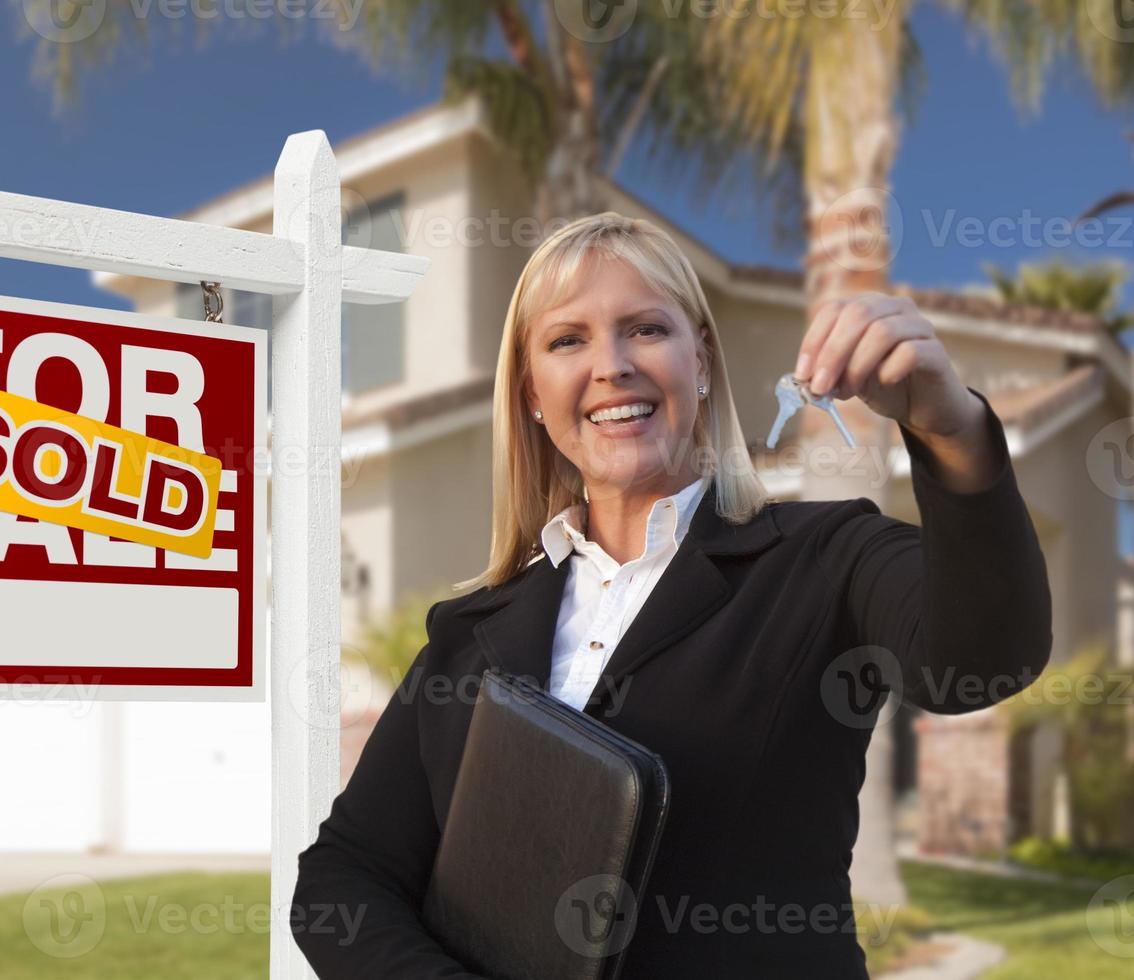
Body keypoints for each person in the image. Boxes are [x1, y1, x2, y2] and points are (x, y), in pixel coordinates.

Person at [289, 212, 1052, 977]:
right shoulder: (467, 635)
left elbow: (982, 655)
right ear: (531, 392)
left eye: (646, 329)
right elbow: (344, 878)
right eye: (567, 340)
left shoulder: (826, 559)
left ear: (703, 362)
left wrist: (952, 429)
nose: (612, 365)